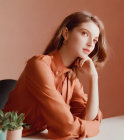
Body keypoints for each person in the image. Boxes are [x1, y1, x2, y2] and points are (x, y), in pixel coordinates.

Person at [3, 11, 108, 140]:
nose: (91, 43)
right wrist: (91, 127)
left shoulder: (70, 77)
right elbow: (65, 127)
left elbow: (89, 116)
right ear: (65, 33)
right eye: (84, 33)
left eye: (95, 40)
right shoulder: (39, 65)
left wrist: (93, 77)